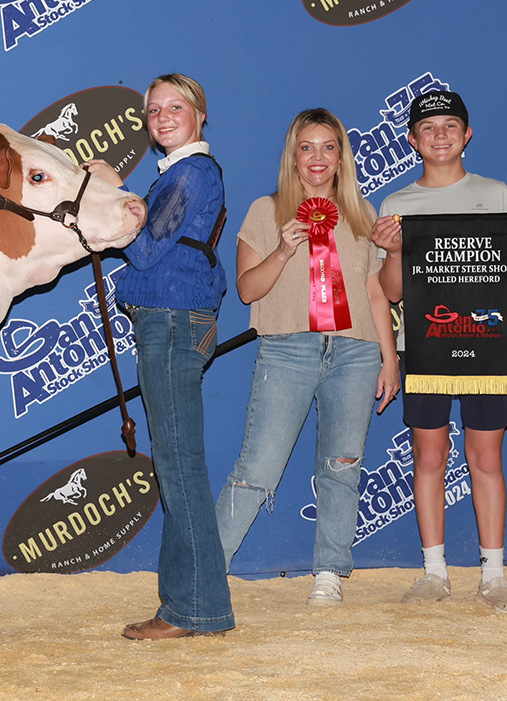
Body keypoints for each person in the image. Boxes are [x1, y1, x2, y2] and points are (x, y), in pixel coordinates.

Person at [213, 110, 399, 606]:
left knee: (342, 464)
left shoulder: (362, 212)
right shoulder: (266, 210)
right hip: (288, 348)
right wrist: (281, 250)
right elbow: (248, 291)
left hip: (357, 351)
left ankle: (329, 574)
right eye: (306, 147)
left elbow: (375, 292)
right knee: (258, 466)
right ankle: (205, 570)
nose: (318, 157)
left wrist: (390, 358)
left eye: (328, 146)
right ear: (292, 156)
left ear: (341, 156)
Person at [371, 90, 507, 613]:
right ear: (411, 140)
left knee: (486, 458)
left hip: (488, 346)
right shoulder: (396, 205)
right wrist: (396, 250)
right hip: (426, 347)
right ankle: (434, 572)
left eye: (451, 125)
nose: (440, 134)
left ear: (467, 135)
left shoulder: (495, 193)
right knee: (429, 457)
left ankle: (494, 575)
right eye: (428, 127)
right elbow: (393, 289)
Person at [87, 74, 233, 640]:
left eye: (176, 107)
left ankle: (196, 609)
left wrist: (111, 193)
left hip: (172, 323)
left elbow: (145, 251)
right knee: (178, 465)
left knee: (179, 468)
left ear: (200, 115)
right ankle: (189, 604)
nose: (163, 116)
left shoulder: (191, 173)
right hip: (173, 321)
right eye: (154, 110)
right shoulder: (181, 173)